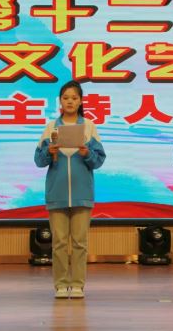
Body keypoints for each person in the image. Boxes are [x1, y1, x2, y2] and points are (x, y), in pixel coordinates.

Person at [34, 81, 105, 299]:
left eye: (74, 98)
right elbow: (38, 160)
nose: (70, 101)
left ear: (81, 101)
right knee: (59, 242)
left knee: (80, 243)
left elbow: (99, 160)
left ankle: (77, 284)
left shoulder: (89, 127)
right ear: (60, 101)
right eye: (65, 98)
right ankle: (61, 284)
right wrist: (49, 151)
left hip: (82, 194)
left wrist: (87, 153)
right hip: (57, 193)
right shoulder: (51, 127)